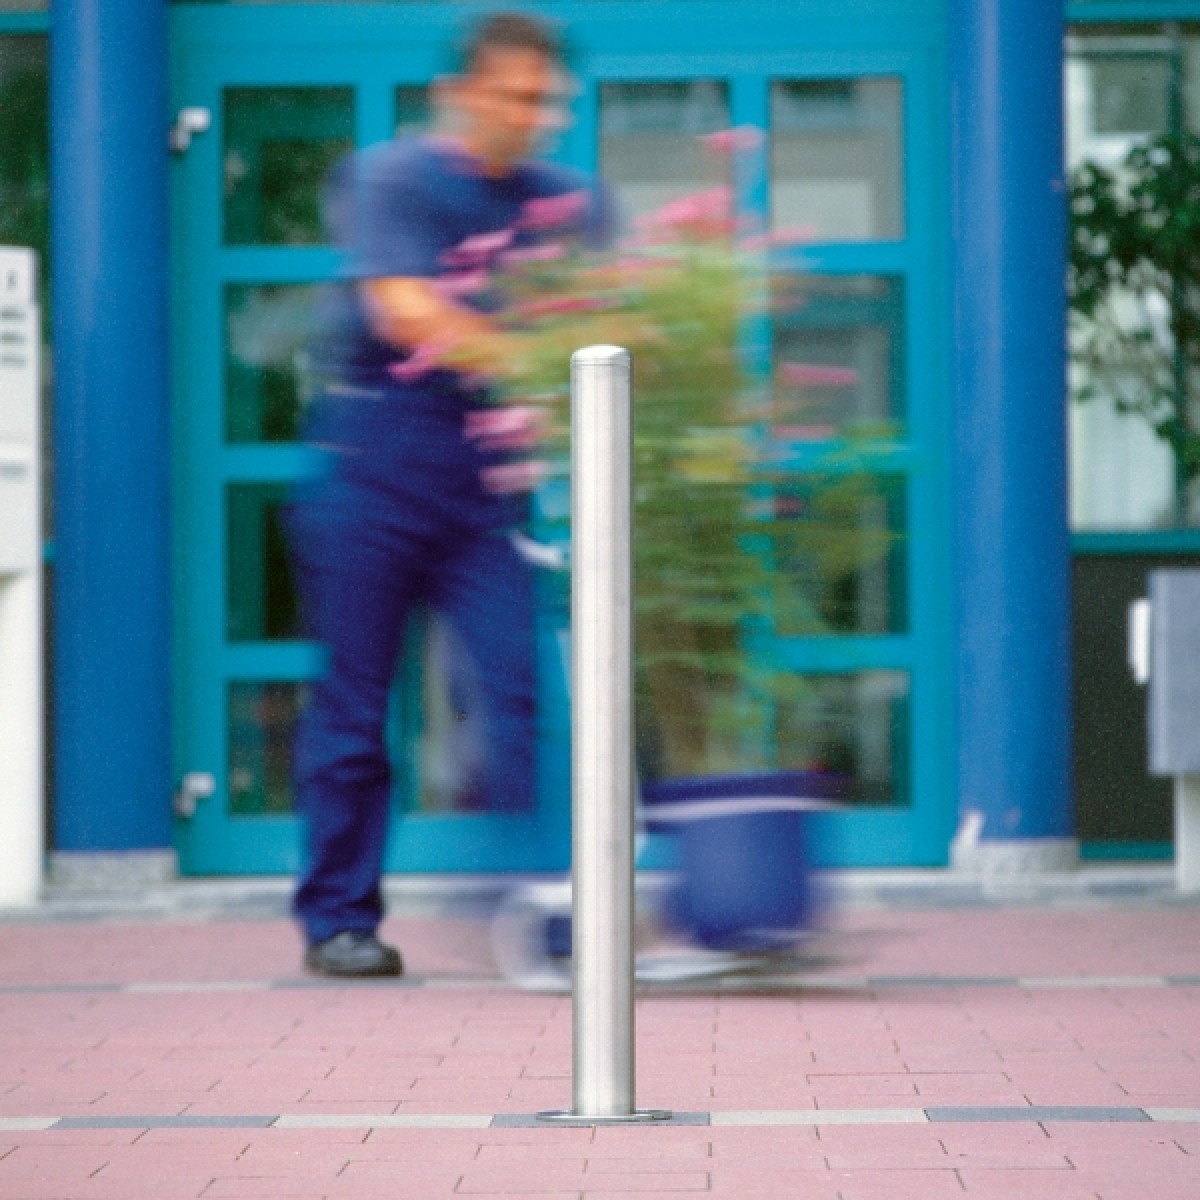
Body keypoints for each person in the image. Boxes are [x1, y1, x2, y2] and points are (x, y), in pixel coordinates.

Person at [288, 12, 612, 977]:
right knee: (355, 710)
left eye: (543, 97)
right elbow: (407, 309)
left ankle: (540, 901)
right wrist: (545, 358)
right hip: (373, 471)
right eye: (511, 94)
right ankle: (339, 919)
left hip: (485, 485)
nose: (530, 113)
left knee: (518, 693)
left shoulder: (569, 199)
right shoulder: (393, 178)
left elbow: (602, 308)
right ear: (463, 93)